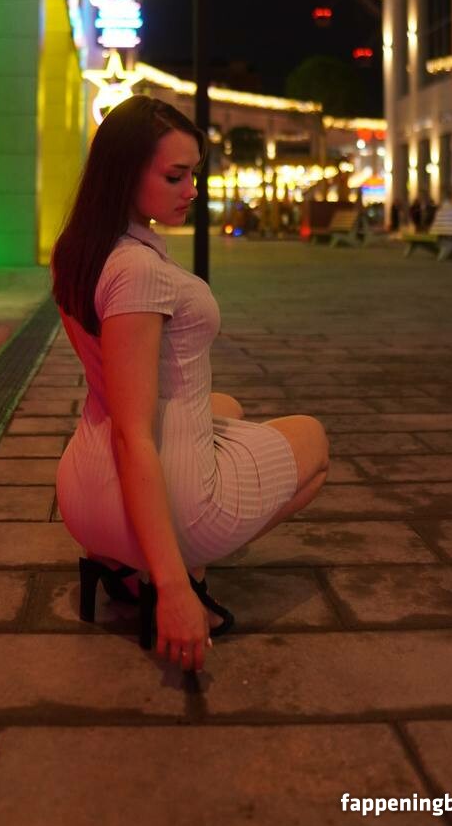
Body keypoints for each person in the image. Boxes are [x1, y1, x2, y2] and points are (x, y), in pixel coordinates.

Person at [51, 96, 329, 674]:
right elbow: (133, 433)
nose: (192, 190)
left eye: (193, 175)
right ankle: (181, 569)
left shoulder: (81, 249)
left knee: (227, 405)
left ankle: (124, 567)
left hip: (82, 495)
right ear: (125, 174)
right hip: (167, 500)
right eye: (175, 176)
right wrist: (175, 589)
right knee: (314, 443)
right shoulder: (138, 272)